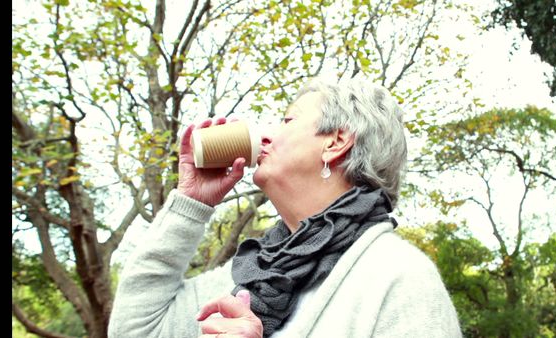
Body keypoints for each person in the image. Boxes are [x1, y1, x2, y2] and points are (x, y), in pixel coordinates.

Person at [108, 77, 462, 338]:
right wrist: (191, 202)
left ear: (336, 142)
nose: (265, 137)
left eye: (287, 121)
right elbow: (136, 330)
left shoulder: (398, 277)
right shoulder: (251, 276)